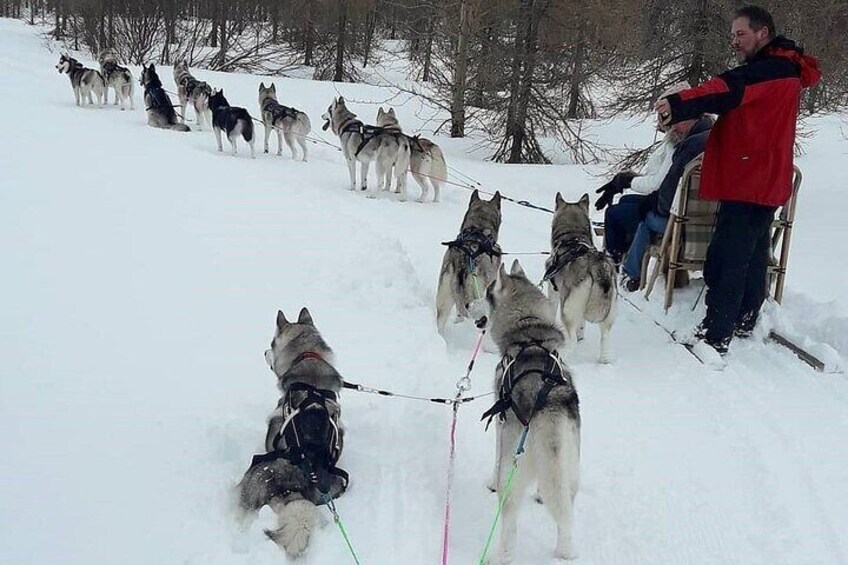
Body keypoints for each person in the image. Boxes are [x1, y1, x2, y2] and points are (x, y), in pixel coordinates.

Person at [655, 5, 821, 354]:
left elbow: (722, 90)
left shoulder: (769, 71)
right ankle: (745, 318)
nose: (734, 41)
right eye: (732, 35)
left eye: (740, 34)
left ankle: (716, 334)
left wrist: (676, 101)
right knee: (754, 252)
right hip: (763, 178)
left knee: (728, 256)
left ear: (763, 32)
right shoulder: (779, 68)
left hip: (751, 179)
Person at [597, 83, 712, 291]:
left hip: (684, 222)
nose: (672, 127)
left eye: (677, 122)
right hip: (708, 218)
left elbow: (664, 191)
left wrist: (650, 203)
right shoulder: (711, 138)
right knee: (629, 204)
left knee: (644, 218)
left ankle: (629, 273)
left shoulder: (688, 146)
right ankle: (627, 263)